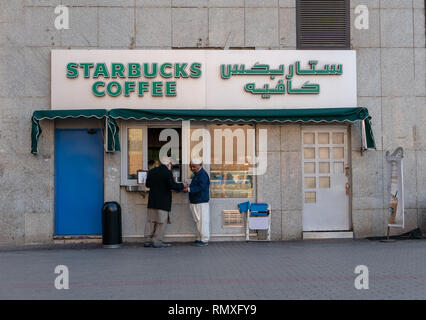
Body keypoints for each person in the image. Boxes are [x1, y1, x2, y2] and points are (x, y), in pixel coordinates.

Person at [144, 156, 186, 248]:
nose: (171, 166)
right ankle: (157, 241)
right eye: (170, 164)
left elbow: (147, 184)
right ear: (168, 164)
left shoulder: (152, 171)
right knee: (161, 222)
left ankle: (147, 240)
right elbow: (172, 185)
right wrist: (182, 185)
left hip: (152, 201)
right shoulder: (167, 173)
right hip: (163, 202)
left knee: (150, 221)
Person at [183, 158, 210, 247]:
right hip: (197, 201)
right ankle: (200, 238)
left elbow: (201, 187)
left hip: (200, 201)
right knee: (198, 221)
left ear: (199, 165)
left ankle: (204, 239)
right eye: (191, 166)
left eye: (193, 166)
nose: (192, 168)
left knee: (202, 221)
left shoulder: (202, 174)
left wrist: (189, 189)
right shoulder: (199, 174)